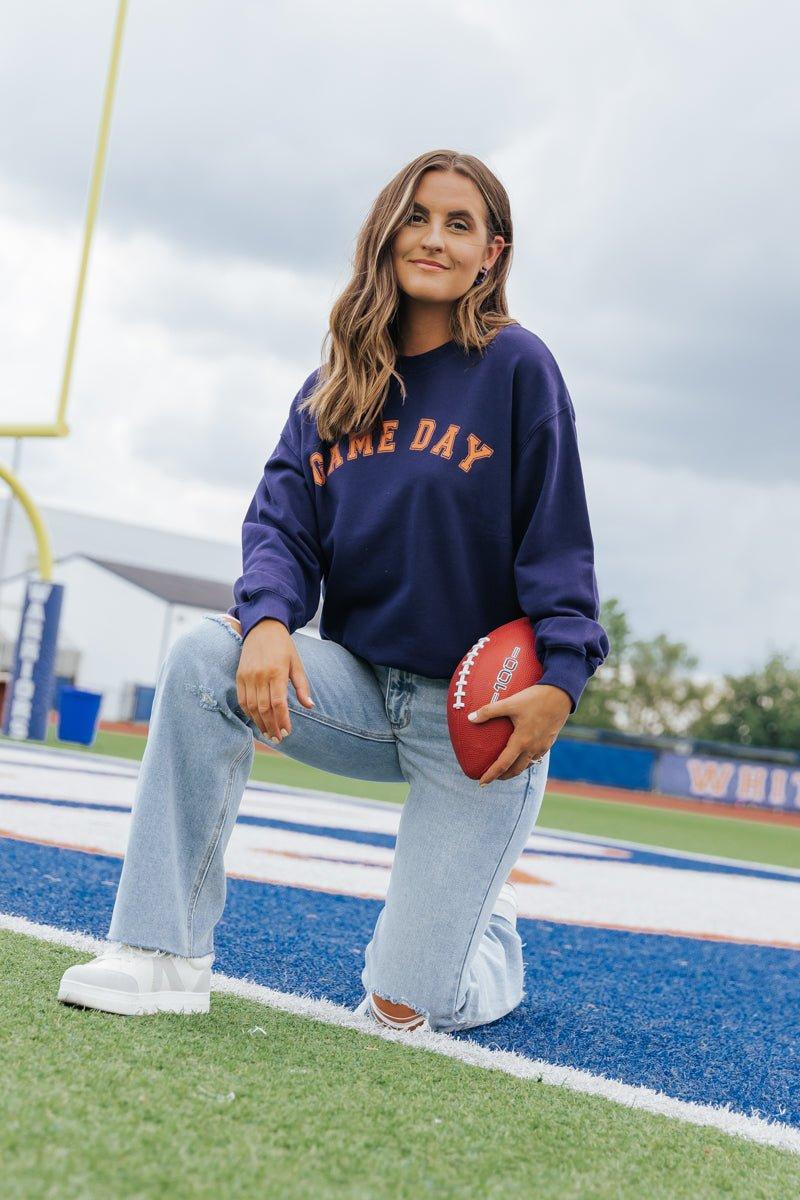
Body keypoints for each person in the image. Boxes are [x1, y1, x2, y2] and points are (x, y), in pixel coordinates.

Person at [57, 149, 610, 1033]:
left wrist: (565, 678)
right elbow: (279, 527)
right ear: (388, 231)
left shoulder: (517, 367)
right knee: (207, 656)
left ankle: (486, 938)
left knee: (407, 1010)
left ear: (492, 254)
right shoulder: (332, 388)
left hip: (475, 720)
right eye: (418, 216)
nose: (433, 238)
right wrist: (269, 620)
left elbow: (559, 540)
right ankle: (161, 953)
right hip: (354, 691)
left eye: (459, 224)